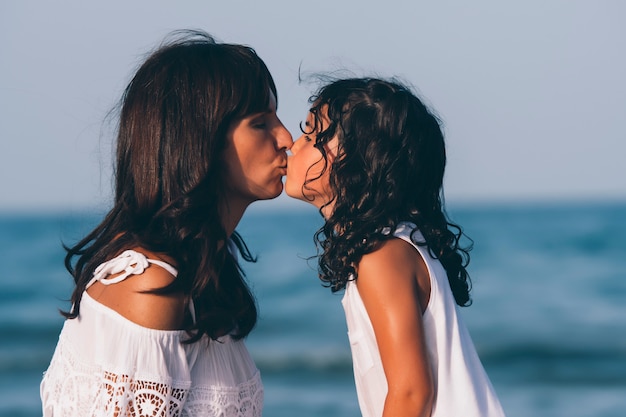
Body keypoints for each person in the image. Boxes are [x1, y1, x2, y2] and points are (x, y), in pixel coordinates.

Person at [40, 30, 293, 417]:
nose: (286, 137)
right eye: (261, 122)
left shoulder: (200, 272)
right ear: (199, 141)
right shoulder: (149, 285)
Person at [285, 77, 506, 417]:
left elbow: (411, 393)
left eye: (313, 134)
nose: (294, 144)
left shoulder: (382, 255)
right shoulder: (392, 246)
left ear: (358, 163)